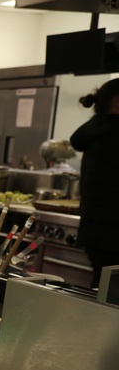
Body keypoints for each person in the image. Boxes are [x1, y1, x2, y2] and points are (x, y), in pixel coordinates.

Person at [70, 78, 119, 285]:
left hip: (99, 231)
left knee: (102, 289)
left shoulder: (98, 130)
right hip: (112, 233)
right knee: (108, 298)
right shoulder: (115, 133)